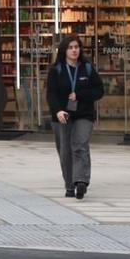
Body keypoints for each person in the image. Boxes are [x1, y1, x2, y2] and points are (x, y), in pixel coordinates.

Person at [45, 34, 105, 200]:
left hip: (83, 114)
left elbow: (99, 91)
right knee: (65, 151)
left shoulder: (87, 68)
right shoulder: (56, 70)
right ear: (64, 50)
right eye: (70, 47)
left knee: (80, 145)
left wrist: (79, 94)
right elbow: (51, 94)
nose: (74, 50)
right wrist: (57, 111)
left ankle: (81, 181)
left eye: (76, 47)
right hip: (62, 116)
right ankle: (69, 184)